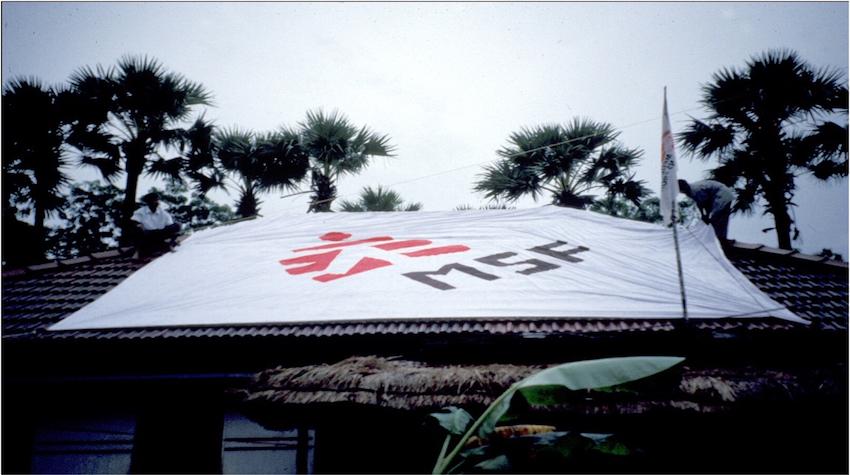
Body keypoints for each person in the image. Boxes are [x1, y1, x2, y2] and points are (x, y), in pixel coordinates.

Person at [131, 192, 181, 257]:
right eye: (154, 200)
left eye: (157, 200)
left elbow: (170, 225)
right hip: (148, 235)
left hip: (160, 233)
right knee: (135, 230)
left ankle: (167, 244)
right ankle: (139, 250)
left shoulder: (163, 212)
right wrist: (139, 226)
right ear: (148, 202)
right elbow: (134, 222)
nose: (156, 202)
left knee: (177, 225)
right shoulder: (140, 212)